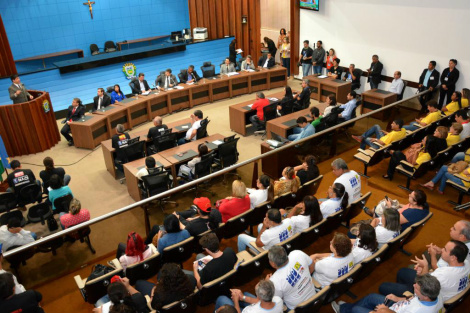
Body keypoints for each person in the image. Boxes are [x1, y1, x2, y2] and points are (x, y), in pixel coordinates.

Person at [378, 240, 470, 302]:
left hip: (425, 295)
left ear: (453, 258)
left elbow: (423, 285)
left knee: (383, 286)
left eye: (445, 250)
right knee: (402, 272)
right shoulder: (466, 262)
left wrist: (424, 266)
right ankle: (404, 287)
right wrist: (425, 271)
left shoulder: (442, 275)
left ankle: (406, 292)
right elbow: (438, 275)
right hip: (437, 288)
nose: (442, 250)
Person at [331, 274, 443, 313]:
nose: (413, 286)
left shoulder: (416, 311)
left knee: (357, 310)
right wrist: (397, 298)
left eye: (417, 288)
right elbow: (413, 300)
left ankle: (345, 309)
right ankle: (345, 309)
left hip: (391, 311)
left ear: (426, 296)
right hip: (395, 308)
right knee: (371, 297)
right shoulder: (436, 295)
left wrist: (384, 310)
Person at [383, 127, 448, 180]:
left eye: (424, 140)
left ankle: (389, 174)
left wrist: (416, 153)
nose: (422, 140)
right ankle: (389, 174)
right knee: (394, 157)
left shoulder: (426, 155)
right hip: (412, 163)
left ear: (428, 143)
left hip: (412, 168)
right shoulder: (427, 149)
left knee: (396, 153)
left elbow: (413, 163)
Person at [365, 190, 429, 232]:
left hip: (395, 225)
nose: (409, 195)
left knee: (377, 214)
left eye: (411, 196)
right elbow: (407, 206)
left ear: (415, 202)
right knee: (380, 207)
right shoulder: (424, 205)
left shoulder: (409, 214)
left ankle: (372, 225)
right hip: (400, 214)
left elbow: (394, 220)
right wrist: (395, 204)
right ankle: (372, 213)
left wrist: (390, 206)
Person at [215, 279, 283, 313]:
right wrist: (242, 297)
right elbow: (260, 302)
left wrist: (236, 301)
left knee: (221, 299)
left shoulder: (251, 312)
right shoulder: (278, 300)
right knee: (246, 294)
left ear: (258, 297)